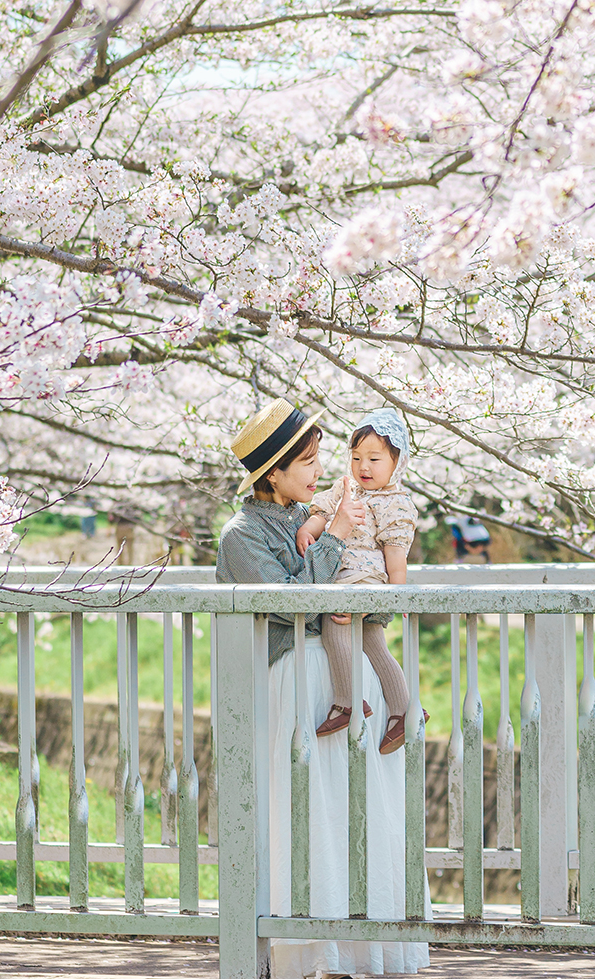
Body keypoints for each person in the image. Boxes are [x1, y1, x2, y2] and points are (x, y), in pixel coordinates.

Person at [216, 396, 430, 979]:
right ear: (274, 473)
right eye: (307, 463)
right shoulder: (242, 536)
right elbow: (290, 604)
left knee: (362, 807)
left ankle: (370, 946)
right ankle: (311, 951)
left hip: (345, 672)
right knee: (309, 811)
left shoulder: (308, 513)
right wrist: (333, 533)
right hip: (297, 680)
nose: (319, 472)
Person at [296, 408, 420, 754]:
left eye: (375, 459)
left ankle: (347, 701)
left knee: (334, 626)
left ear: (397, 462)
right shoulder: (345, 487)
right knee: (375, 646)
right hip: (344, 575)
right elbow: (323, 513)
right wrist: (309, 528)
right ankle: (403, 712)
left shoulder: (396, 504)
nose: (363, 467)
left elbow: (396, 558)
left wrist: (395, 597)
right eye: (356, 457)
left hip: (363, 581)